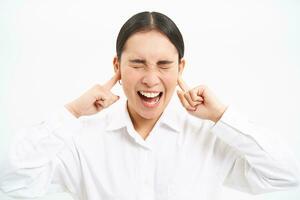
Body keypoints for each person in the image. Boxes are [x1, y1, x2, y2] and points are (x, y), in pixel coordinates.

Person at [0, 11, 299, 200]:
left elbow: (287, 174)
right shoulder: (83, 136)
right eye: (138, 64)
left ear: (181, 68)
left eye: (164, 65)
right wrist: (73, 112)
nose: (151, 79)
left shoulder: (208, 136)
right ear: (117, 66)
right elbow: (11, 181)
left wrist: (221, 116)